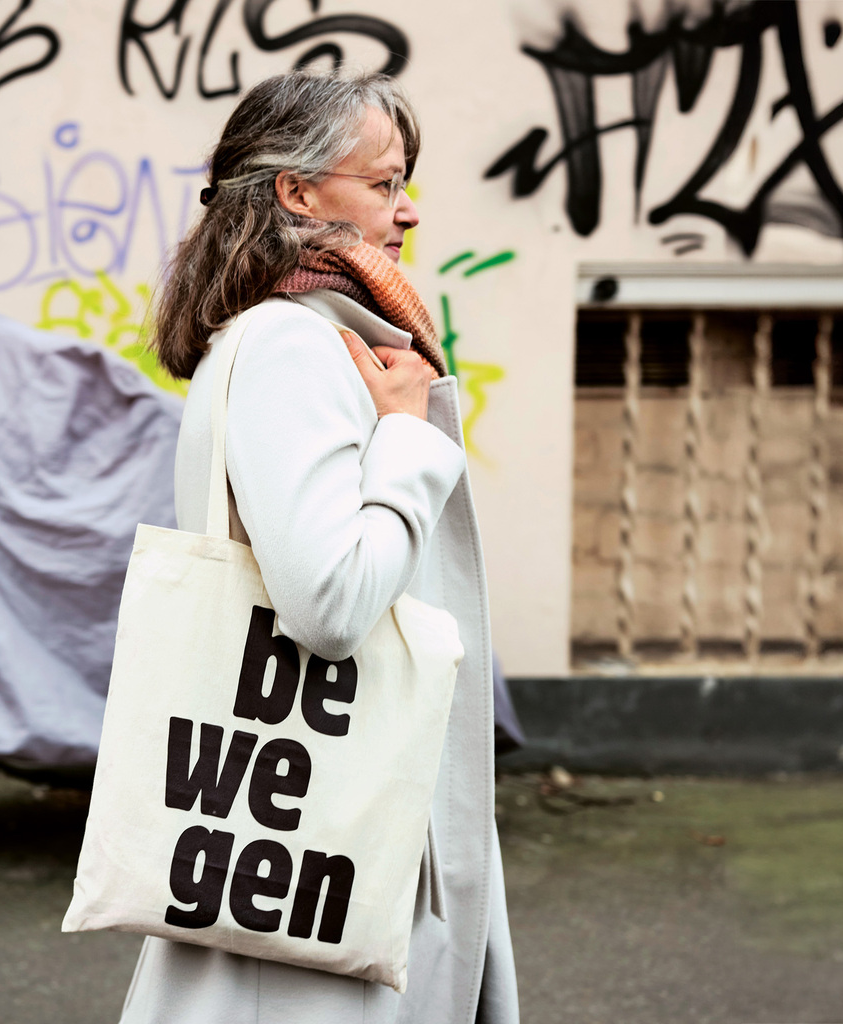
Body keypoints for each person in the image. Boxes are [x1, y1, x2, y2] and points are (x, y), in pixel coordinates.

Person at [126, 70, 518, 1024]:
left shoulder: (299, 334)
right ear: (298, 194)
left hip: (321, 817)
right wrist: (412, 443)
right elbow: (333, 606)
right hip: (327, 823)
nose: (409, 210)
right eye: (385, 183)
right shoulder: (292, 345)